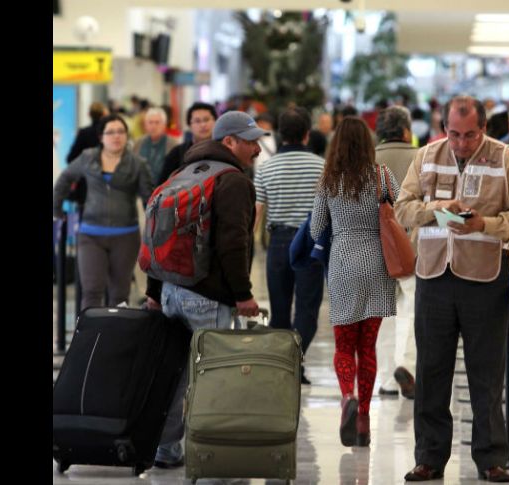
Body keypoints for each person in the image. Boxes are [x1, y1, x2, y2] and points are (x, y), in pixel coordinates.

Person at [394, 96, 509, 482]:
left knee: (486, 373)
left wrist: (484, 225)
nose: (461, 143)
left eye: (469, 135)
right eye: (453, 134)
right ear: (443, 128)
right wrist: (439, 211)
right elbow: (403, 208)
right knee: (431, 370)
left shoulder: (507, 160)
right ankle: (429, 457)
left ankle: (490, 457)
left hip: (485, 279)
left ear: (483, 128)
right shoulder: (426, 157)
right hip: (434, 276)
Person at [144, 110, 265, 468]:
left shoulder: (181, 173)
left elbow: (155, 234)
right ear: (229, 142)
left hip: (170, 290)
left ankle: (165, 450)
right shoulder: (233, 181)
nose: (257, 149)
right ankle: (213, 459)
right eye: (250, 141)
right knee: (216, 380)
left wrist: (154, 289)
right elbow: (233, 244)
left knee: (174, 376)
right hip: (208, 298)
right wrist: (242, 294)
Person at [310, 116, 398, 449]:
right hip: (378, 262)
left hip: (344, 262)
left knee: (344, 345)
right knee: (368, 346)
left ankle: (346, 395)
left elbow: (317, 227)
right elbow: (398, 215)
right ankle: (363, 416)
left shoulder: (329, 179)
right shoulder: (382, 175)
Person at [254, 107, 326, 385]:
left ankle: (284, 365)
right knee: (307, 309)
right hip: (311, 241)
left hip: (279, 242)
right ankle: (296, 361)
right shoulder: (322, 167)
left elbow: (257, 211)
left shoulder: (266, 167)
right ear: (307, 135)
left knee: (280, 308)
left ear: (280, 135)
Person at [53, 114, 154, 309]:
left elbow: (149, 198)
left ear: (126, 135)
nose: (116, 136)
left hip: (125, 236)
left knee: (119, 294)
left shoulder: (138, 163)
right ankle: (90, 338)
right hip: (91, 235)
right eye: (110, 132)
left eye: (121, 132)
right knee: (91, 292)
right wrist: (57, 210)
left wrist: (153, 228)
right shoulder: (87, 157)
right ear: (101, 137)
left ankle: (115, 339)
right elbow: (65, 179)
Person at [373, 106, 418, 399]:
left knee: (384, 315)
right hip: (414, 245)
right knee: (414, 309)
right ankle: (409, 366)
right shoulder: (422, 156)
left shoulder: (367, 160)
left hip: (376, 246)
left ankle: (387, 381)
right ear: (406, 131)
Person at [157, 102, 218, 185]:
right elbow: (162, 185)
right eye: (197, 121)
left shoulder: (224, 151)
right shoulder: (177, 154)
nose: (203, 125)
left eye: (206, 120)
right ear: (189, 125)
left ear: (215, 121)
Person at [132, 107, 178, 183]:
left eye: (157, 122)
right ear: (145, 125)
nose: (153, 126)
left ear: (164, 125)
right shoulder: (138, 143)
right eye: (150, 122)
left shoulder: (173, 144)